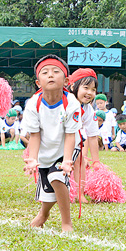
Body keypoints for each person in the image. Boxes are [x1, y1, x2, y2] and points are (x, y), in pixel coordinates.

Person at [22, 55, 79, 232]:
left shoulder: (71, 103)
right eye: (45, 73)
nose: (51, 75)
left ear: (66, 80)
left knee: (57, 178)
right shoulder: (33, 104)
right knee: (48, 193)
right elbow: (35, 135)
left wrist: (68, 160)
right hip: (45, 151)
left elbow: (71, 135)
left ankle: (66, 223)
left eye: (56, 72)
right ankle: (44, 214)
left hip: (66, 148)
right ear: (38, 82)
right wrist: (32, 159)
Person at [67, 68, 101, 203]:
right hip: (55, 141)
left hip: (73, 140)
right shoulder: (63, 102)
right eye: (86, 88)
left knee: (80, 160)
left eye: (93, 90)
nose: (90, 93)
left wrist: (96, 161)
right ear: (73, 86)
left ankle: (79, 193)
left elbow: (92, 136)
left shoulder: (88, 109)